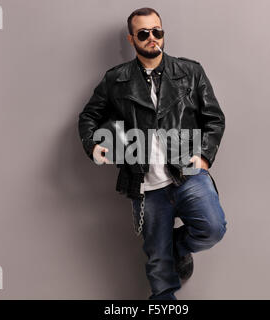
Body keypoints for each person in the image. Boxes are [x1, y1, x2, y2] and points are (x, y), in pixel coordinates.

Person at [78, 7, 227, 300]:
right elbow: (88, 118)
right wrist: (94, 146)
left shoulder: (190, 71)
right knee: (160, 275)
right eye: (143, 33)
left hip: (186, 174)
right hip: (145, 186)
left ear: (163, 33)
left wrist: (204, 157)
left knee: (212, 228)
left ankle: (173, 248)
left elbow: (214, 118)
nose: (152, 38)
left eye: (156, 31)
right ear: (131, 39)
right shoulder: (116, 79)